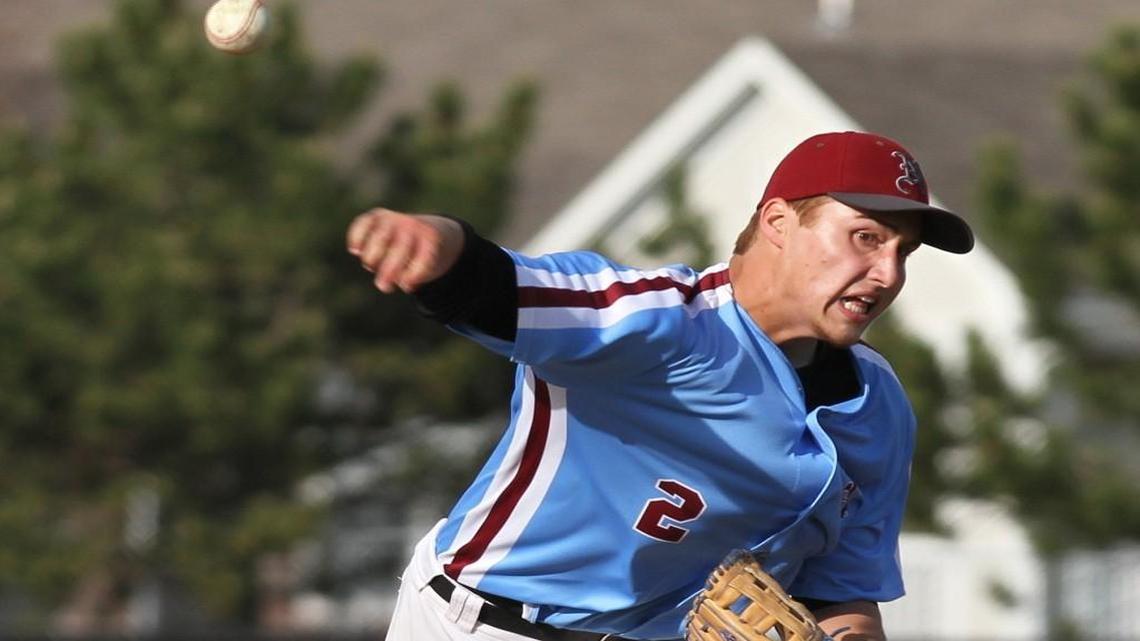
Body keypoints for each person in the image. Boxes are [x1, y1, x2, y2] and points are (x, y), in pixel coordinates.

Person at [347, 131, 974, 641]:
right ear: (779, 221)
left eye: (904, 252)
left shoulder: (878, 407)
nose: (886, 273)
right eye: (865, 237)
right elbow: (502, 288)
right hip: (486, 625)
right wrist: (440, 245)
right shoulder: (662, 323)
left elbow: (841, 591)